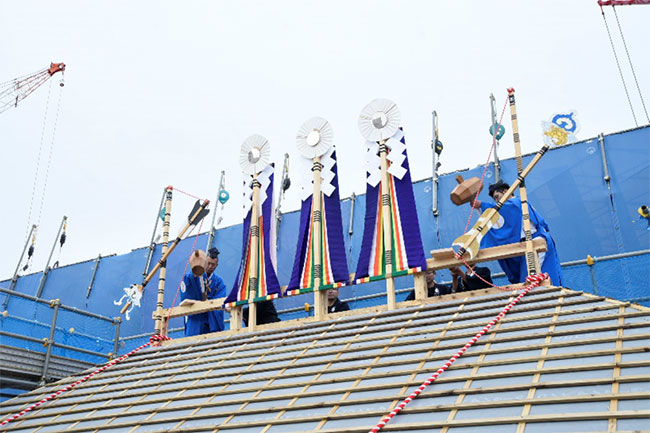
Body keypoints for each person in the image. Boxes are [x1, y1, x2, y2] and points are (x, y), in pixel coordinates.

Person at [471, 180, 563, 286]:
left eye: (497, 196)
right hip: (527, 245)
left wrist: (481, 205)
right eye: (495, 199)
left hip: (535, 241)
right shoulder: (513, 206)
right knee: (528, 278)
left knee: (534, 278)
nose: (497, 201)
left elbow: (501, 210)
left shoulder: (516, 203)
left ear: (506, 191)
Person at [180, 247, 227, 336]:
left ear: (216, 265)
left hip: (212, 321)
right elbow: (187, 293)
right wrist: (196, 271)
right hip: (196, 319)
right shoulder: (193, 276)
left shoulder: (219, 282)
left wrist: (207, 302)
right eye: (208, 263)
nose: (210, 266)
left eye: (213, 264)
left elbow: (220, 299)